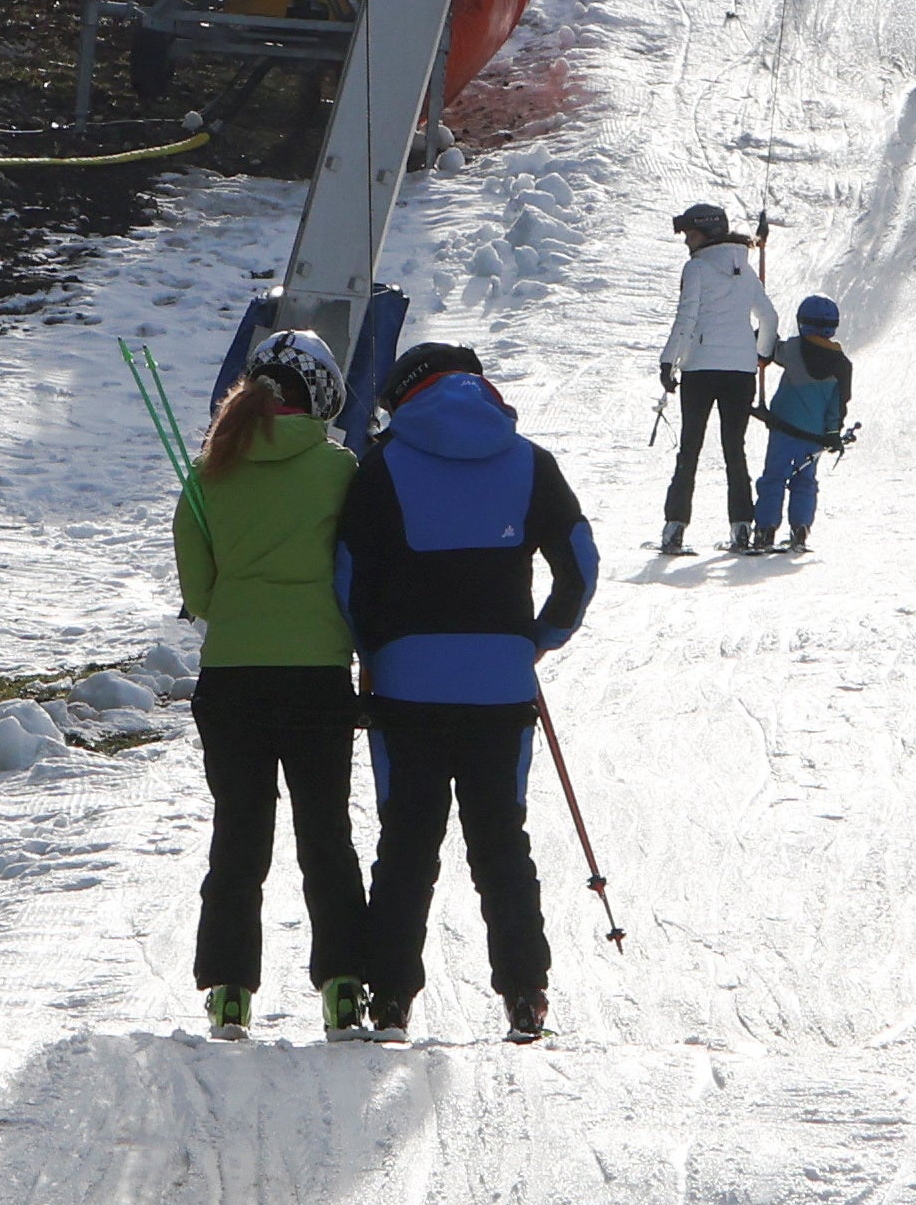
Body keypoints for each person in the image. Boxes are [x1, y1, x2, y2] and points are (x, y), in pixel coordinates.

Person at [337, 344, 598, 1043]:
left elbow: (347, 577)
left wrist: (375, 652)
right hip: (501, 685)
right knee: (501, 842)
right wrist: (540, 639)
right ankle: (525, 995)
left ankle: (389, 999)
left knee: (407, 843)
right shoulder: (530, 462)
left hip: (406, 685)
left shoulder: (381, 465)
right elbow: (580, 562)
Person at [175, 331, 365, 1040]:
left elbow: (200, 594)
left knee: (239, 838)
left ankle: (229, 991)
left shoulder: (208, 473)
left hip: (231, 679)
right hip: (317, 676)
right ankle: (345, 987)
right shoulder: (340, 469)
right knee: (326, 836)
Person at [658, 202, 776, 556]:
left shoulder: (696, 269)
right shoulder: (746, 268)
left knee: (689, 449)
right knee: (734, 450)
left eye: (690, 234)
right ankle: (742, 529)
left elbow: (687, 318)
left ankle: (674, 530)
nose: (686, 242)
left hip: (700, 370)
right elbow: (768, 316)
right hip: (741, 372)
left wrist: (669, 363)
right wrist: (762, 353)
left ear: (707, 233)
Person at [753, 295, 855, 554]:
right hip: (815, 435)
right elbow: (838, 403)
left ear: (802, 323)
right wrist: (833, 432)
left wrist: (760, 334)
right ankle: (800, 530)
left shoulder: (795, 349)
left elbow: (771, 349)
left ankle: (765, 531)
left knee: (774, 478)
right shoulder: (842, 364)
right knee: (804, 480)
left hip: (784, 427)